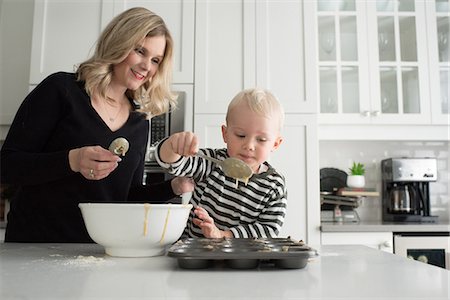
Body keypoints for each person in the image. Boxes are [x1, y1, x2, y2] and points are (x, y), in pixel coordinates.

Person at [0, 7, 194, 243]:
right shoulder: (61, 90)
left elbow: (126, 197)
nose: (146, 66)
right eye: (140, 51)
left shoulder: (139, 122)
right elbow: (7, 166)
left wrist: (172, 187)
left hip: (97, 252)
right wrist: (72, 160)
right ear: (118, 43)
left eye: (155, 60)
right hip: (34, 247)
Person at [155, 88, 287, 238]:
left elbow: (268, 229)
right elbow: (173, 164)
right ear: (225, 134)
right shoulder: (211, 162)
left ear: (275, 144)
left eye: (261, 140)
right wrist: (172, 146)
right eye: (240, 135)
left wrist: (222, 234)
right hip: (195, 253)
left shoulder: (274, 185)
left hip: (244, 258)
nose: (249, 145)